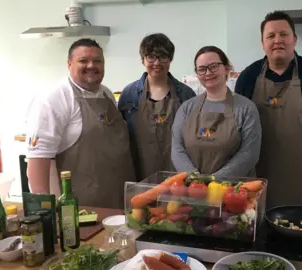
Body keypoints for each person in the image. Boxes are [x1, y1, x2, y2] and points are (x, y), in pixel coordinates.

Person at [235, 11, 302, 208]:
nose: (277, 41)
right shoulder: (247, 78)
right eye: (271, 36)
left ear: (294, 39)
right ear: (262, 43)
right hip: (259, 177)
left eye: (284, 34)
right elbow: (237, 127)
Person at [26, 38, 135, 209]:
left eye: (97, 61)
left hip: (117, 202)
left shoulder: (106, 94)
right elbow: (38, 159)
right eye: (83, 60)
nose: (91, 65)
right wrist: (45, 214)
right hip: (79, 211)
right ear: (69, 64)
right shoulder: (54, 98)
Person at [171, 46, 261, 177]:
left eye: (214, 66)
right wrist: (196, 180)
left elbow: (249, 154)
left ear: (226, 68)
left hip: (234, 190)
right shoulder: (186, 108)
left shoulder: (246, 108)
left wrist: (214, 181)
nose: (208, 73)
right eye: (202, 69)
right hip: (193, 189)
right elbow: (177, 149)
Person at [119, 33, 196, 181]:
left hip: (178, 176)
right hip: (140, 174)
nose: (157, 62)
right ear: (143, 60)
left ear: (170, 59)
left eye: (163, 56)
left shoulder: (186, 94)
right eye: (151, 57)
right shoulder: (129, 95)